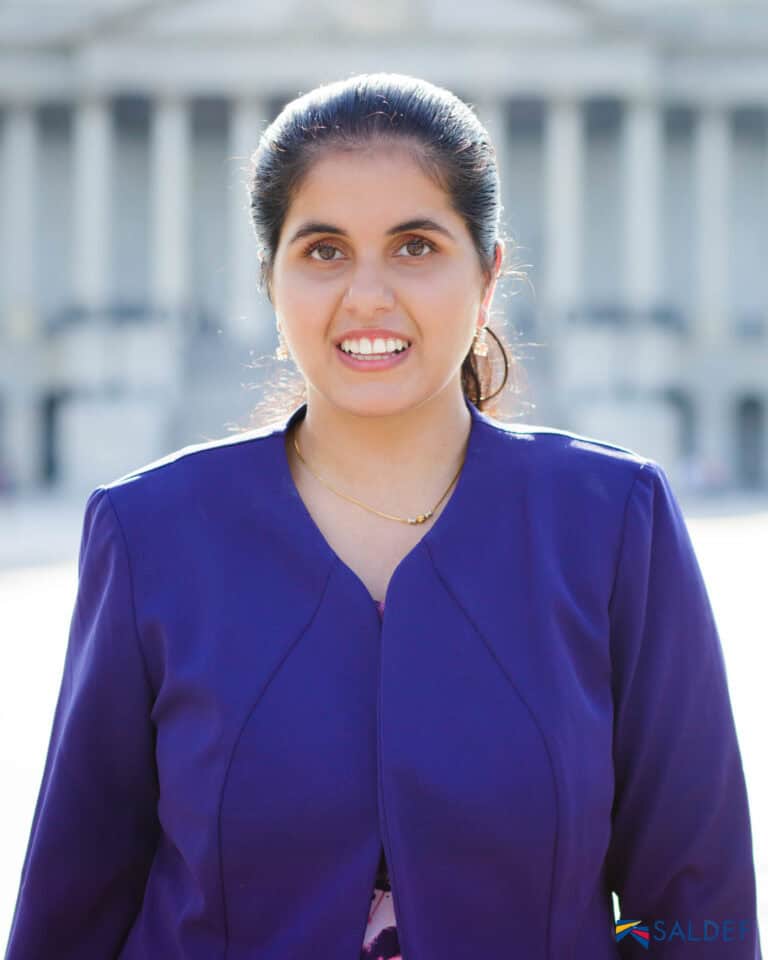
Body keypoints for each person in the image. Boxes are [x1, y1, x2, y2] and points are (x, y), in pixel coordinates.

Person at [5, 72, 762, 959]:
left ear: (487, 276)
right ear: (269, 280)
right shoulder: (151, 534)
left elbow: (693, 900)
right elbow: (75, 902)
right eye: (323, 250)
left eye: (415, 246)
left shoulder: (609, 524)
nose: (367, 297)